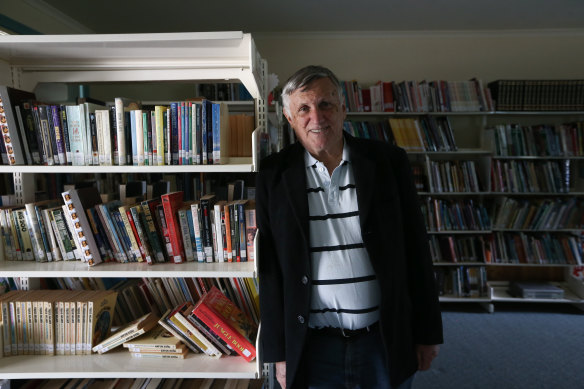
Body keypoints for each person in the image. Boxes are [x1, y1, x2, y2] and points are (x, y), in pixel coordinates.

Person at [257, 65, 443, 389]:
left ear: (344, 108)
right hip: (312, 345)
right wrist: (278, 352)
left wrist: (427, 333)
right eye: (304, 108)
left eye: (325, 104)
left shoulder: (389, 163)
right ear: (289, 118)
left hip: (383, 341)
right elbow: (270, 270)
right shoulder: (273, 175)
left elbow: (416, 249)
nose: (316, 117)